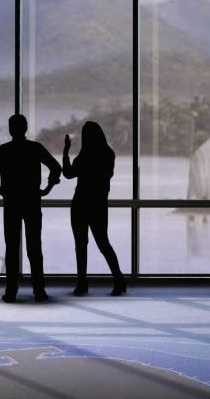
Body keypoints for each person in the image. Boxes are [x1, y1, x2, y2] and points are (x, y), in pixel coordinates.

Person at [0, 114, 61, 303]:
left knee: (12, 248)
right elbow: (56, 167)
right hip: (32, 201)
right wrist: (47, 187)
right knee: (35, 248)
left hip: (11, 202)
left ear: (10, 129)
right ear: (26, 128)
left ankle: (11, 291)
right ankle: (39, 290)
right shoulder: (35, 148)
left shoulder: (4, 150)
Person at [62, 121, 126, 296]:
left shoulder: (83, 156)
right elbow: (106, 177)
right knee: (103, 243)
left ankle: (82, 283)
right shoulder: (108, 154)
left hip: (79, 203)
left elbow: (67, 174)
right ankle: (119, 280)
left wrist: (66, 151)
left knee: (80, 245)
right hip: (98, 204)